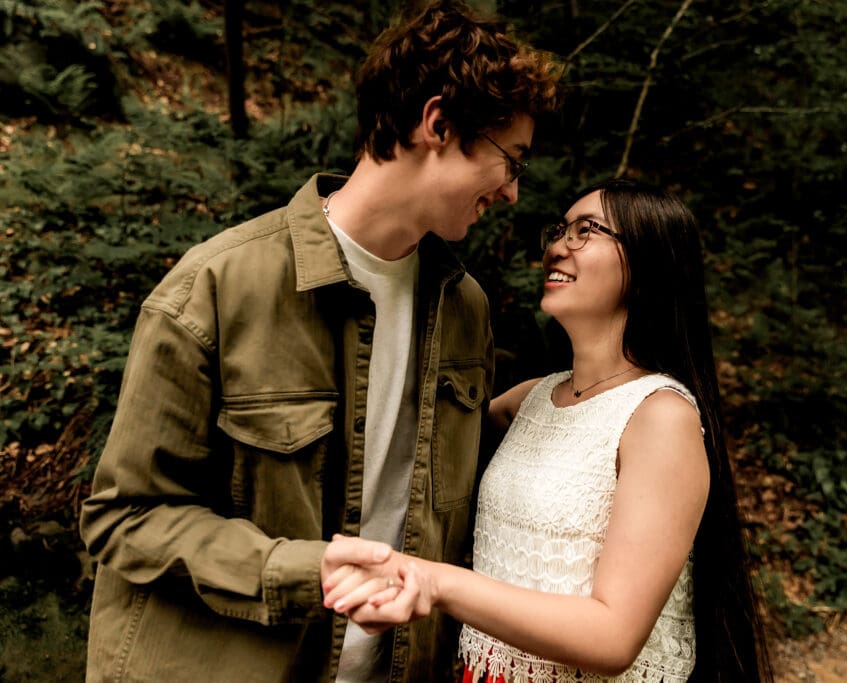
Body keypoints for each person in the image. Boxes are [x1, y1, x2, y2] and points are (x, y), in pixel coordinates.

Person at [78, 2, 560, 681]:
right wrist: (300, 570)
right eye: (511, 160)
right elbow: (125, 516)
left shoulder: (464, 309)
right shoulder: (217, 286)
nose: (512, 192)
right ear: (438, 124)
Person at [322, 178, 774, 682]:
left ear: (649, 264)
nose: (559, 246)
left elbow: (612, 636)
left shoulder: (660, 417)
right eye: (560, 229)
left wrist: (435, 583)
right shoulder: (532, 398)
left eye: (587, 231)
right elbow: (408, 442)